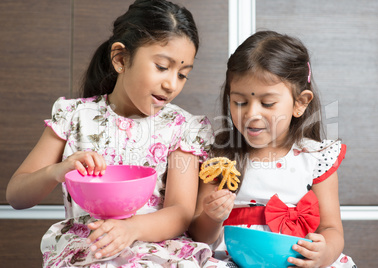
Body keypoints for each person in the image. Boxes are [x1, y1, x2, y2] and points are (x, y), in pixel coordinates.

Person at [6, 0, 214, 267]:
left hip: (158, 252)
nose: (171, 84)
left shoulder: (183, 128)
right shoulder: (73, 116)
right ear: (120, 59)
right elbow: (17, 195)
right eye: (162, 67)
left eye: (183, 74)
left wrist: (132, 229)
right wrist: (58, 171)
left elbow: (180, 212)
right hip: (90, 250)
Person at [189, 30, 356, 268]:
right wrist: (212, 216)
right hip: (234, 260)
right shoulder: (219, 157)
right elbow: (200, 236)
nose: (251, 114)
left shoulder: (316, 158)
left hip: (295, 260)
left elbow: (331, 228)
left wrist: (323, 253)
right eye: (239, 102)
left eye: (267, 103)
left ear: (300, 103)